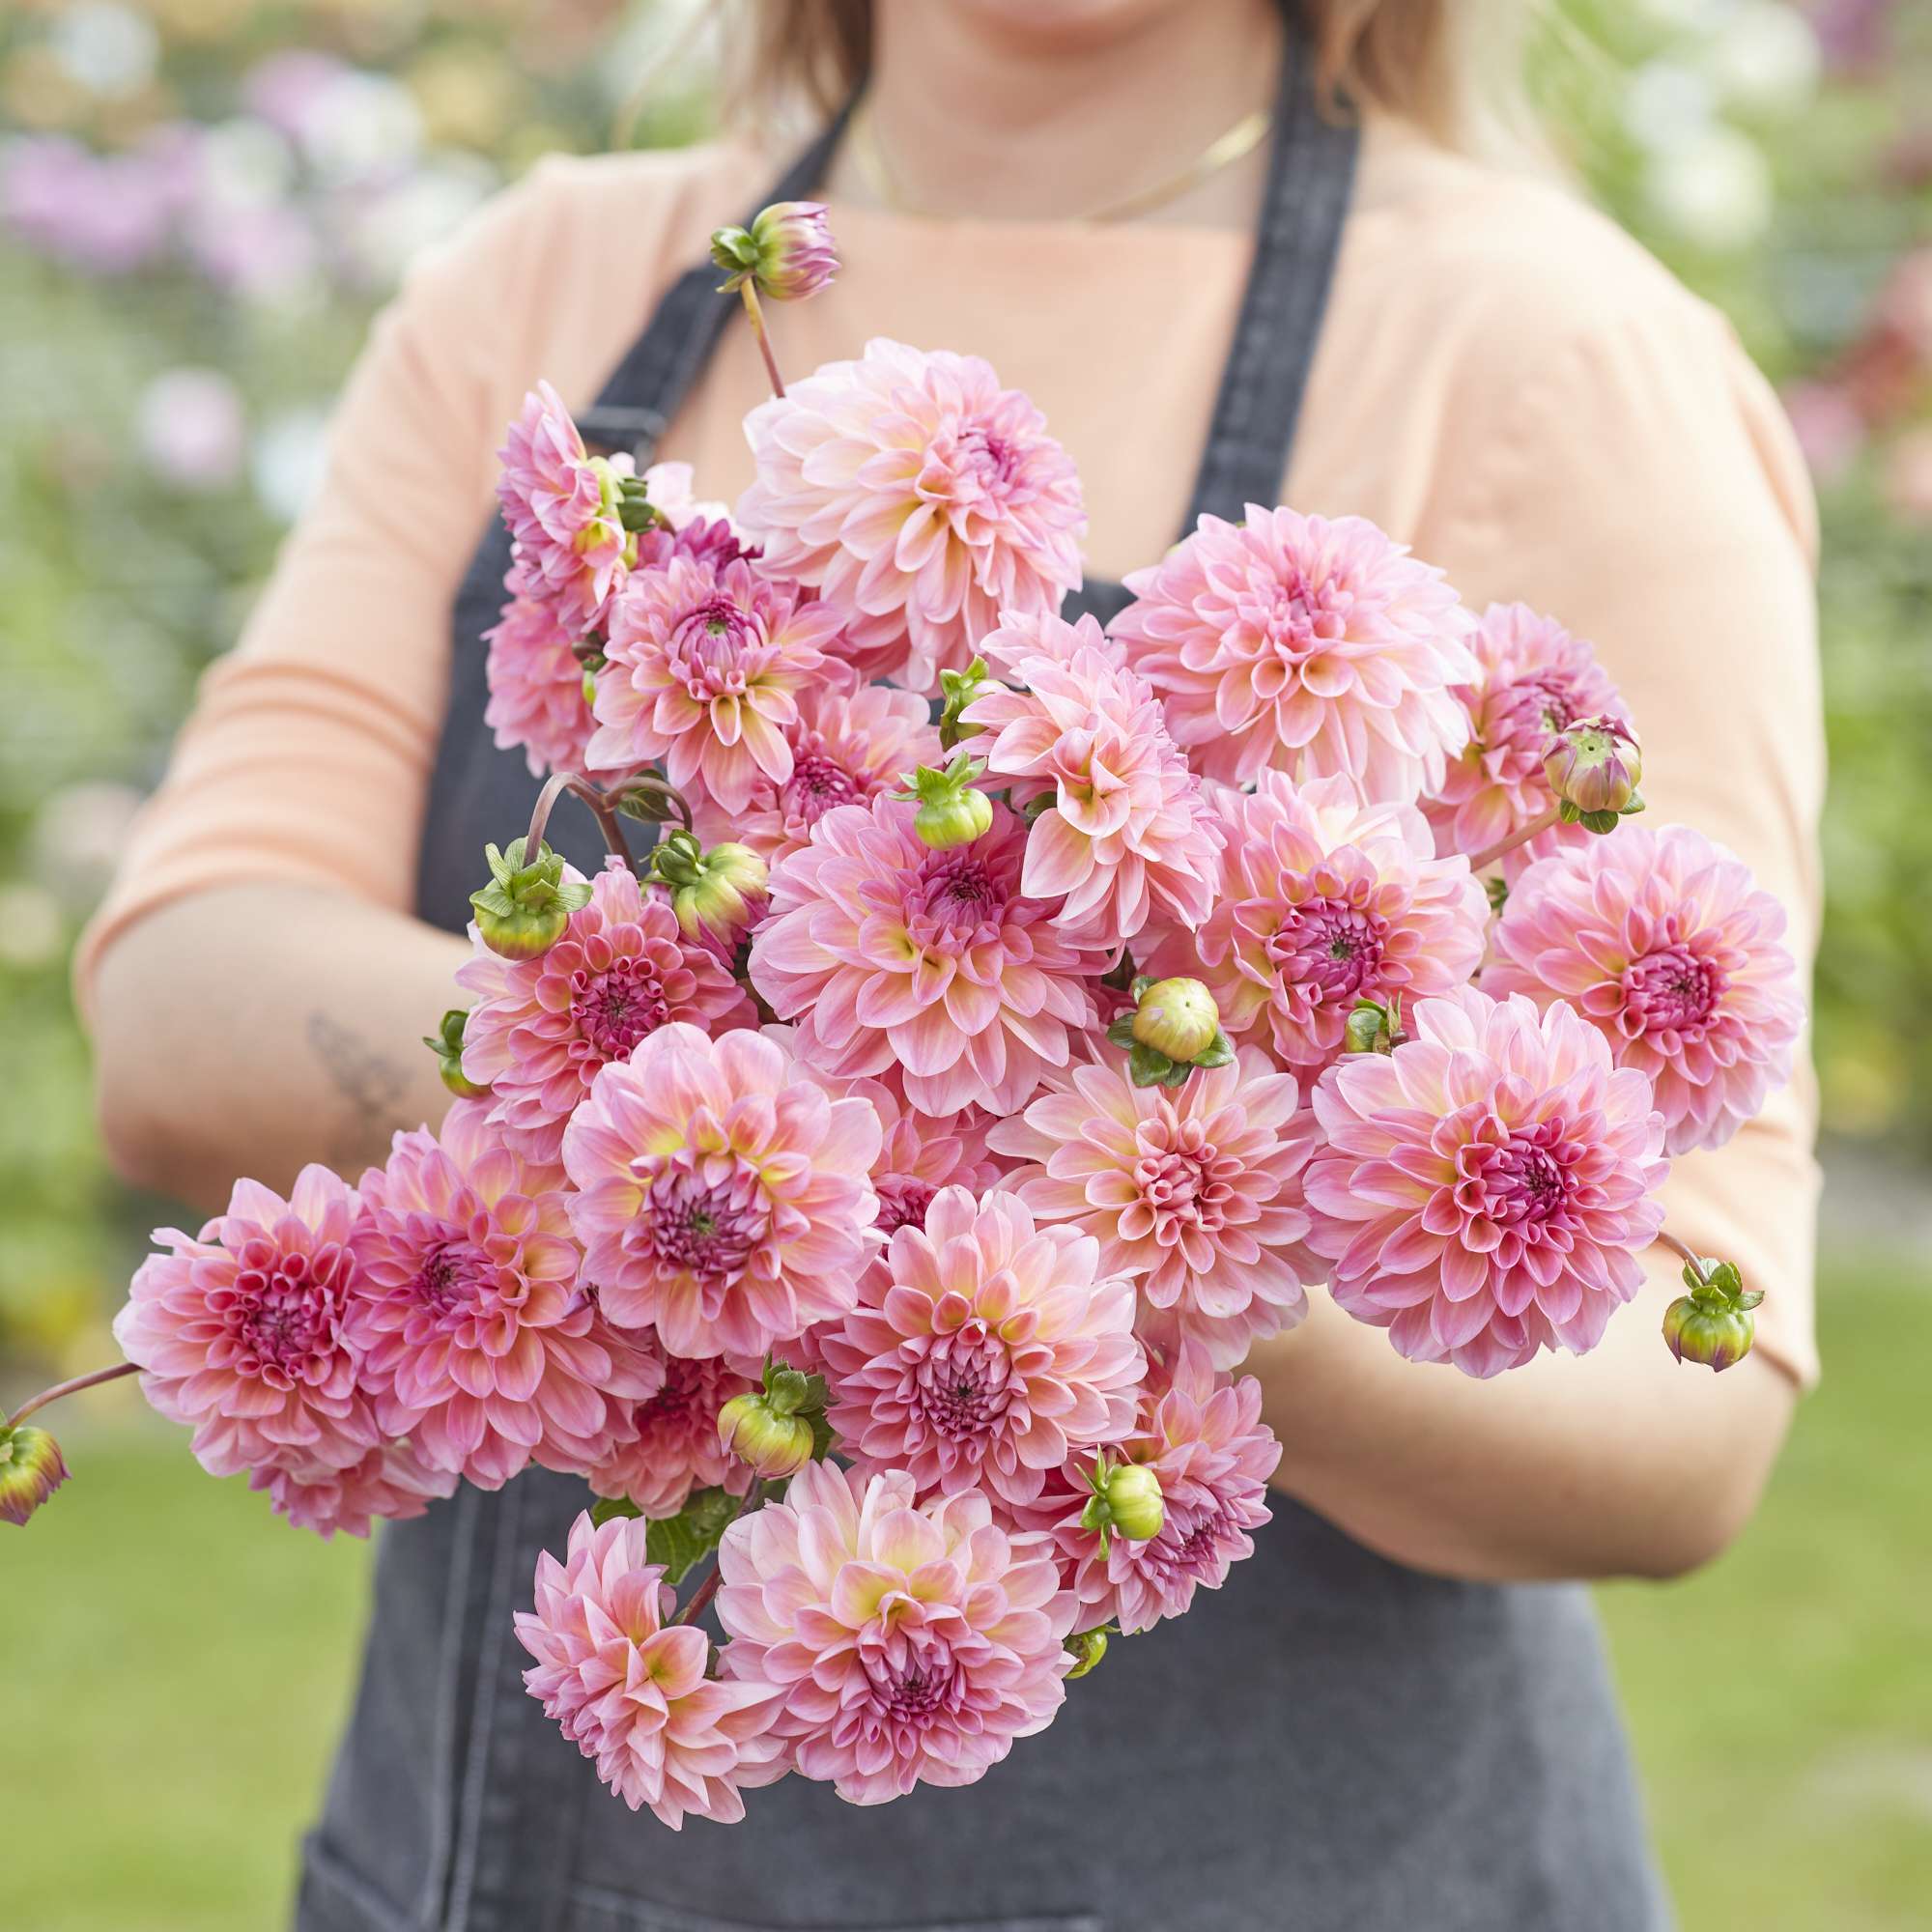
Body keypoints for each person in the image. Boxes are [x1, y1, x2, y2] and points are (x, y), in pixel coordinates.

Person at [81, 2, 1824, 1927]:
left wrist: (1152, 1268)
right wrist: (710, 1139)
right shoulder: (555, 276)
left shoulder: (1554, 352)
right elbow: (179, 997)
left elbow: (1689, 1412)